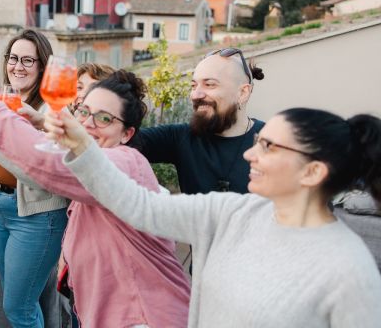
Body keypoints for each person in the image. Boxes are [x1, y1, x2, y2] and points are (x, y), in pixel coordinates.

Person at [45, 106, 381, 327]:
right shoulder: (232, 212)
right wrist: (82, 147)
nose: (249, 154)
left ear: (312, 172)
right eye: (257, 142)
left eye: (267, 146)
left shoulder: (349, 270)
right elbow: (139, 205)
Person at [0, 68, 191, 327]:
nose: (88, 123)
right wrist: (41, 122)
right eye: (84, 111)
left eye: (104, 118)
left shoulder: (124, 164)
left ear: (127, 134)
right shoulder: (99, 165)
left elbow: (49, 163)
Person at [0, 29, 68, 328]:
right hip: (1, 210)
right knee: (21, 301)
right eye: (13, 58)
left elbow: (44, 177)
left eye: (29, 60)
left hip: (39, 217)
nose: (18, 66)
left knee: (18, 307)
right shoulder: (3, 102)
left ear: (43, 66)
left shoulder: (51, 112)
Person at [130, 47, 265, 194]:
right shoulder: (181, 138)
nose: (195, 95)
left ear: (242, 93)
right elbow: (118, 139)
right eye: (193, 86)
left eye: (209, 84)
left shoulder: (272, 142)